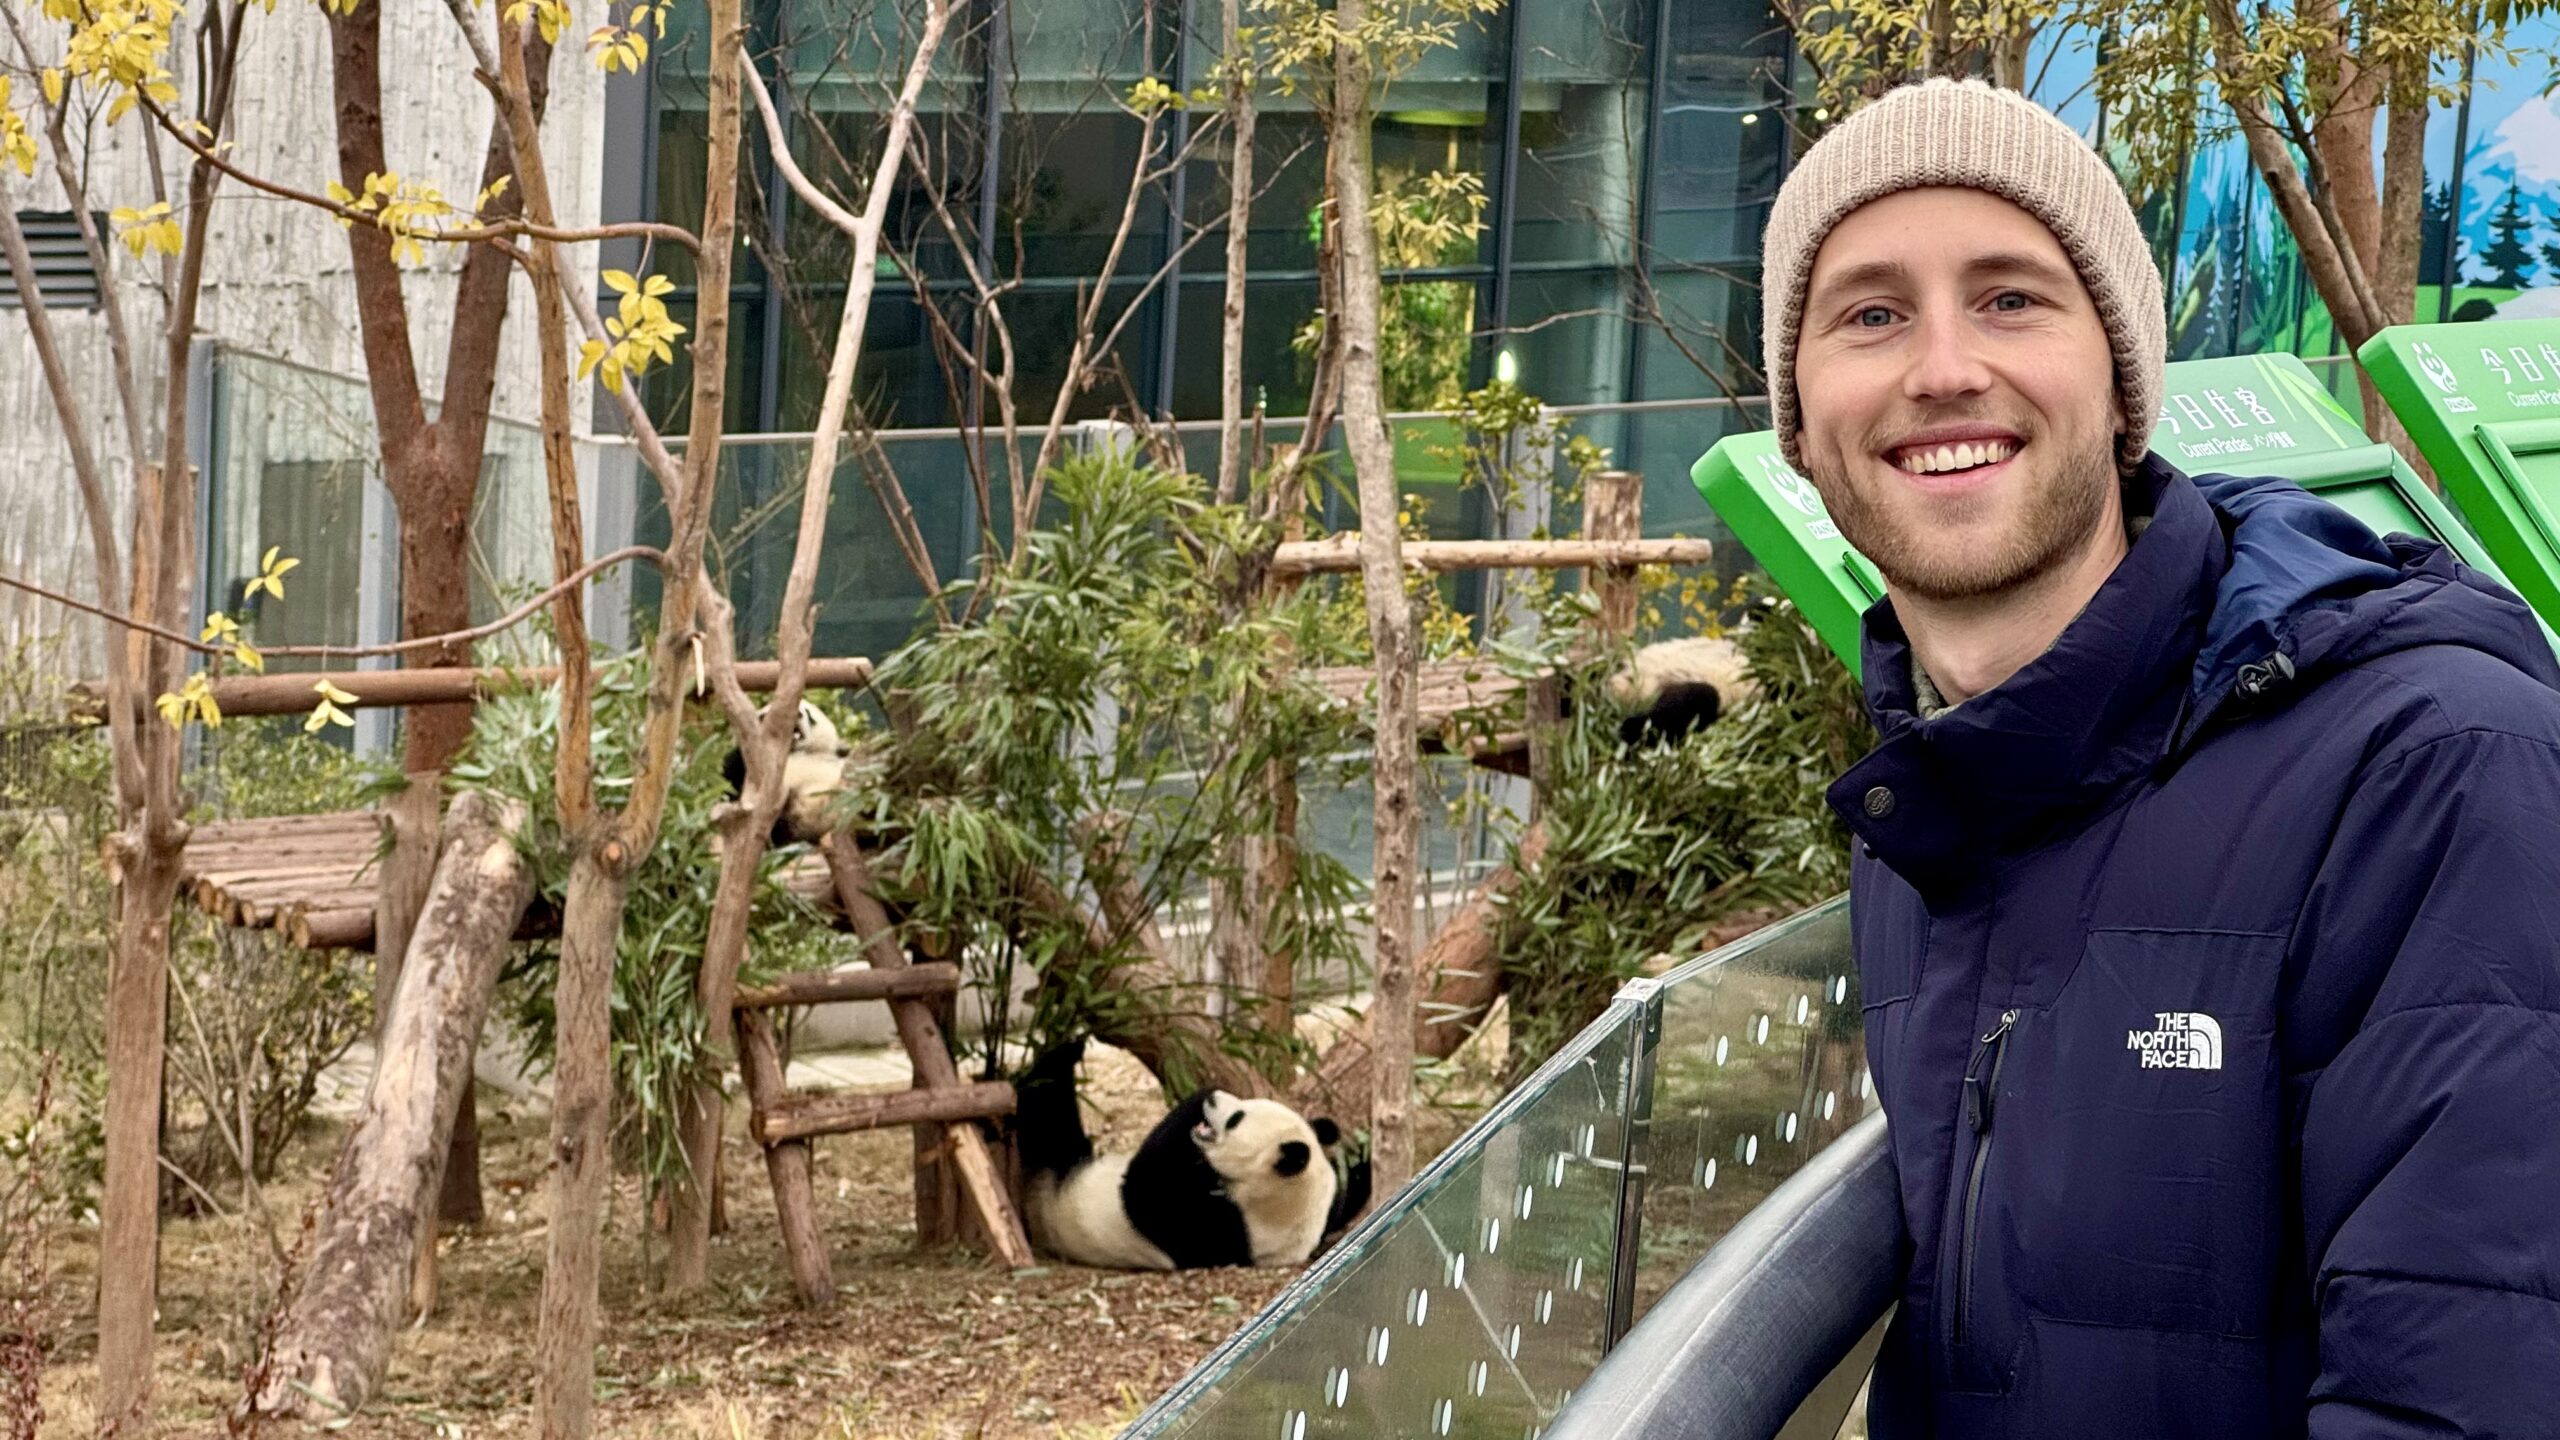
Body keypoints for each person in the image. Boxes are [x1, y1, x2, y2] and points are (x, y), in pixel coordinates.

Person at [1763, 78, 2560, 1437]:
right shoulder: (1936, 808)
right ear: (1798, 412)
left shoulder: (2432, 774)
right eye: (1870, 314)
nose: (1942, 368)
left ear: (2124, 378)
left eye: (2011, 298)